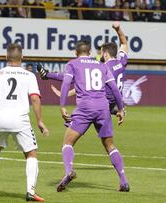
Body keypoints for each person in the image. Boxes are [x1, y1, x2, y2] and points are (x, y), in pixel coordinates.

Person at [57, 40, 129, 192]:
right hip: (103, 108)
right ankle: (124, 181)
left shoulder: (72, 64)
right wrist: (121, 109)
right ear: (90, 53)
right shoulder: (101, 65)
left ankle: (69, 171)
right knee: (110, 145)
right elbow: (115, 89)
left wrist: (63, 105)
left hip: (85, 108)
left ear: (75, 53)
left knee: (67, 143)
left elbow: (65, 84)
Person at [0, 43, 49, 202]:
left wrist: (2, 99)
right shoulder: (29, 75)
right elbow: (34, 98)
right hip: (20, 120)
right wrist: (40, 121)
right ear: (22, 58)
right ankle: (30, 192)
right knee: (31, 154)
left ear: (6, 57)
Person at [37, 21, 129, 115]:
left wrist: (66, 93)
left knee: (72, 123)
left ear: (105, 54)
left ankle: (47, 74)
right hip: (114, 102)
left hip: (100, 105)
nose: (99, 54)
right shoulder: (121, 62)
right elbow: (124, 43)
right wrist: (118, 29)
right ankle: (116, 111)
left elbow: (84, 84)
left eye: (101, 52)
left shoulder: (104, 68)